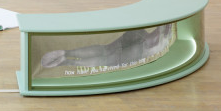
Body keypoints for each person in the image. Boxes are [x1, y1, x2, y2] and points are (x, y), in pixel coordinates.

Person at [40, 23, 174, 69]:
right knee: (105, 59)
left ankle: (67, 53)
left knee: (105, 49)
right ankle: (68, 62)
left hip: (139, 36)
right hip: (141, 49)